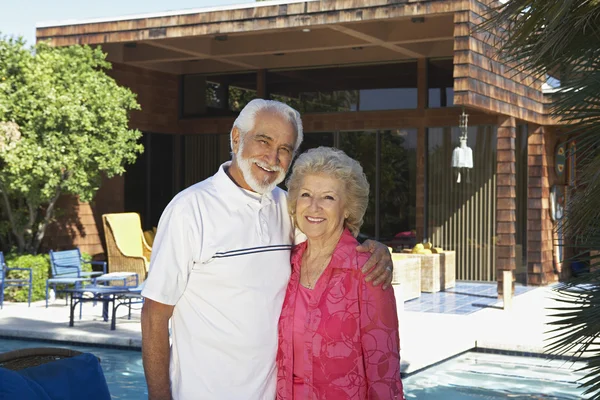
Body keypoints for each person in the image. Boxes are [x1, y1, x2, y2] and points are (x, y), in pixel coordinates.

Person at [141, 99, 394, 400]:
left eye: (285, 149)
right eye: (264, 141)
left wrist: (375, 247)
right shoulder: (190, 210)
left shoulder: (286, 206)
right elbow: (154, 315)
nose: (272, 157)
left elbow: (330, 230)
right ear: (236, 138)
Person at [276, 147, 404, 400]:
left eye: (328, 198)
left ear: (347, 209)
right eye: (306, 195)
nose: (314, 207)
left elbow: (383, 370)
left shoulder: (367, 269)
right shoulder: (287, 262)